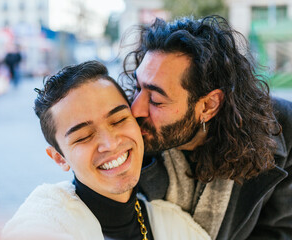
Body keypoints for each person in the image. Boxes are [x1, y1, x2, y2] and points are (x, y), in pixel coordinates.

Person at [122, 15, 292, 240]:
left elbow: (278, 230)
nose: (135, 110)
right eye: (137, 87)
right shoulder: (123, 133)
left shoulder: (282, 129)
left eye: (156, 100)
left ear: (209, 105)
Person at [2, 61, 211, 240]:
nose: (110, 144)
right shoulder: (42, 225)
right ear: (59, 158)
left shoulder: (174, 225)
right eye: (83, 136)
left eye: (119, 120)